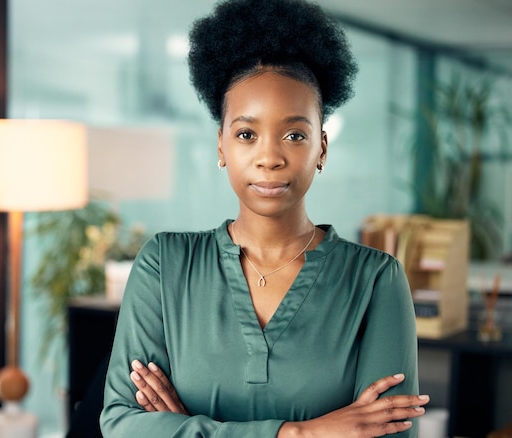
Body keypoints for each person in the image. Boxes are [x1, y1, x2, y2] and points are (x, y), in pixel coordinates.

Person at [99, 0, 428, 436]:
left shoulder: (374, 281)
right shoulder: (165, 264)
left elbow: (390, 434)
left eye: (294, 135)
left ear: (322, 149)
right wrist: (302, 432)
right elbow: (123, 425)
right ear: (221, 145)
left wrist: (186, 428)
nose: (269, 158)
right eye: (246, 134)